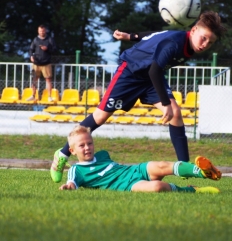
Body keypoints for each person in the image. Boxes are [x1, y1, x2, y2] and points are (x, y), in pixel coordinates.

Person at [50, 11, 226, 183]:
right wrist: (165, 103)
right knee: (100, 116)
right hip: (131, 72)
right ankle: (63, 153)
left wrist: (130, 36)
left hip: (149, 78)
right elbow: (155, 70)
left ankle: (186, 168)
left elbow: (154, 35)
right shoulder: (174, 43)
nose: (205, 44)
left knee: (176, 113)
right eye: (203, 38)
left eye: (210, 43)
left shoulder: (183, 41)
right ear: (193, 30)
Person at [59, 125, 221, 193]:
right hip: (127, 184)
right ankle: (192, 190)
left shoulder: (103, 155)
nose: (87, 147)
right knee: (156, 187)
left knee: (162, 165)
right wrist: (68, 186)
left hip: (134, 170)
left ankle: (203, 172)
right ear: (72, 151)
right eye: (82, 146)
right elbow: (72, 183)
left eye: (90, 143)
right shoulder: (76, 169)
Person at [27, 24, 57, 102]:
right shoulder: (35, 40)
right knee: (34, 79)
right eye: (40, 31)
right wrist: (31, 56)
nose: (41, 32)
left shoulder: (50, 39)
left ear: (45, 31)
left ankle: (49, 96)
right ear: (38, 31)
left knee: (48, 80)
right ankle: (33, 95)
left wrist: (47, 49)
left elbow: (54, 50)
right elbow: (31, 49)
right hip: (36, 63)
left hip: (46, 63)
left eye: (43, 31)